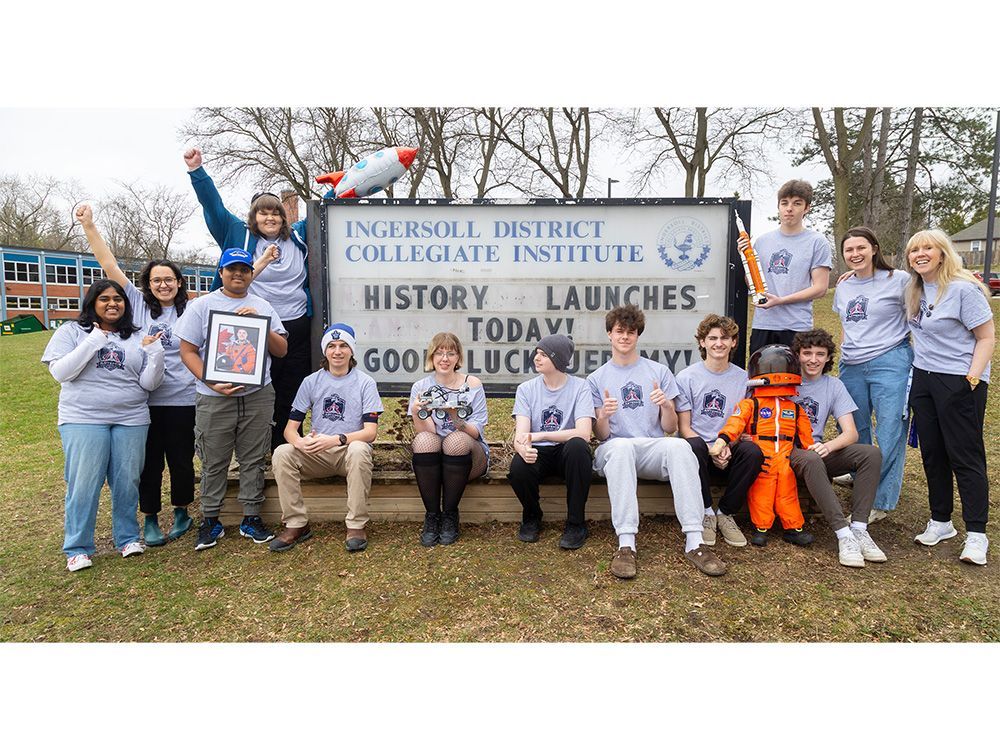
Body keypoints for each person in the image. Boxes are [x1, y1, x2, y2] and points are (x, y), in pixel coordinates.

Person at [75, 204, 199, 546]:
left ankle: (181, 512)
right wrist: (89, 226)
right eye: (157, 279)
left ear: (178, 283)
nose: (163, 284)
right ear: (148, 283)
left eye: (169, 279)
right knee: (148, 464)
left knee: (181, 460)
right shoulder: (137, 302)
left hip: (184, 399)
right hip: (143, 401)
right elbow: (108, 264)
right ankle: (149, 519)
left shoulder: (193, 309)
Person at [184, 147, 311, 451]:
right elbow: (213, 207)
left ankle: (287, 450)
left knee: (292, 393)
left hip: (297, 326)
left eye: (275, 212)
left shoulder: (299, 236)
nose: (270, 217)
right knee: (257, 391)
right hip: (252, 324)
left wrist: (342, 185)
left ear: (284, 217)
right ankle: (256, 452)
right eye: (263, 212)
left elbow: (328, 210)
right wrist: (197, 172)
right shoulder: (236, 234)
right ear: (253, 217)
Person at [586, 304, 726, 578]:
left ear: (638, 335)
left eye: (631, 332)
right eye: (619, 331)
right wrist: (604, 415)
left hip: (651, 446)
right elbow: (600, 435)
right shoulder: (596, 378)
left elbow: (671, 429)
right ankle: (626, 543)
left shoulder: (659, 372)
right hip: (614, 449)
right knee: (622, 447)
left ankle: (695, 540)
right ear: (609, 335)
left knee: (680, 447)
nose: (625, 337)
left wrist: (666, 407)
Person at [42, 280, 165, 572]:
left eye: (119, 299)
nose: (113, 304)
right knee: (84, 483)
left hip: (131, 417)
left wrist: (155, 353)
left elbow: (149, 384)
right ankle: (77, 547)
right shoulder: (72, 332)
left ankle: (127, 538)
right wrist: (94, 340)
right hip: (83, 418)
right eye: (105, 299)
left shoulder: (136, 336)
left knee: (127, 481)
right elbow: (61, 372)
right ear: (92, 303)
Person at [174, 247, 288, 551]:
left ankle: (251, 516)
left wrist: (261, 323)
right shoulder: (202, 306)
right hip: (214, 396)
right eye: (231, 269)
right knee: (214, 460)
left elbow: (281, 350)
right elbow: (187, 351)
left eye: (244, 269)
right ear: (221, 272)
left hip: (257, 393)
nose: (238, 274)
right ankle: (210, 519)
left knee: (253, 458)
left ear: (251, 273)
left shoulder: (263, 304)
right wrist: (211, 381)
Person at [905, 230, 995, 565]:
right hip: (924, 380)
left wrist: (971, 377)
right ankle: (941, 521)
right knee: (932, 453)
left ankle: (976, 534)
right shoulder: (913, 289)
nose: (920, 254)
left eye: (927, 248)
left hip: (959, 380)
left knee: (965, 456)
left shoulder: (962, 289)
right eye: (914, 250)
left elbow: (986, 337)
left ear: (943, 253)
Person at [270, 323, 383, 553]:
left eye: (343, 346)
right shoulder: (311, 381)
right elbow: (290, 429)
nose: (337, 351)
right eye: (331, 346)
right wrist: (300, 442)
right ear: (325, 351)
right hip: (317, 453)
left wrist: (335, 440)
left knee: (360, 449)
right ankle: (296, 523)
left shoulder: (365, 382)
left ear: (352, 350)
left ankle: (356, 525)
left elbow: (370, 433)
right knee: (283, 452)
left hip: (347, 451)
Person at [788, 329, 887, 568]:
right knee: (811, 459)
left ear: (828, 357)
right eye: (807, 353)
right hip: (789, 450)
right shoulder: (787, 381)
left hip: (819, 449)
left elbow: (851, 433)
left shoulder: (834, 385)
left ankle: (860, 529)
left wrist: (828, 446)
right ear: (797, 355)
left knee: (870, 454)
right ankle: (843, 534)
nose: (813, 359)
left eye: (820, 354)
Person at [833, 226, 912, 523]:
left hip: (890, 361)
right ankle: (858, 473)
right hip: (852, 364)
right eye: (849, 250)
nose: (855, 254)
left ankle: (881, 498)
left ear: (874, 249)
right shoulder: (844, 286)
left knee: (890, 430)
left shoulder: (899, 280)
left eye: (860, 248)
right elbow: (845, 323)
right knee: (855, 426)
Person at [709, 344, 815, 548]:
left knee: (787, 491)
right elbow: (736, 423)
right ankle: (761, 528)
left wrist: (813, 453)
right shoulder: (751, 404)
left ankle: (793, 529)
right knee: (761, 491)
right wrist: (722, 440)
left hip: (785, 457)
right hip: (763, 455)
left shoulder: (794, 408)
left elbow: (805, 435)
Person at [675, 314, 762, 548]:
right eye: (712, 338)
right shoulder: (686, 377)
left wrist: (727, 446)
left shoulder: (745, 379)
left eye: (725, 338)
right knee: (691, 447)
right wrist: (712, 450)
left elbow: (744, 425)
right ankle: (705, 513)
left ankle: (725, 512)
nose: (719, 343)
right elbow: (684, 427)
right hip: (700, 447)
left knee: (753, 452)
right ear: (702, 342)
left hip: (729, 446)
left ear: (734, 342)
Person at [508, 334, 594, 549]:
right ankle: (532, 516)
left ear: (558, 360)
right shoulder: (526, 390)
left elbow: (584, 433)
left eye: (544, 354)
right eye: (537, 353)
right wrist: (523, 448)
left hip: (567, 453)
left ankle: (576, 523)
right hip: (540, 453)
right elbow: (521, 436)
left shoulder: (580, 387)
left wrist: (542, 435)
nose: (537, 358)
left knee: (578, 447)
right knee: (519, 465)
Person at [408, 332, 489, 547]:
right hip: (439, 457)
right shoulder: (420, 387)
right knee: (424, 441)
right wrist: (417, 412)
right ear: (431, 357)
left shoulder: (472, 384)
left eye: (450, 353)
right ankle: (432, 517)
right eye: (439, 353)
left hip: (469, 454)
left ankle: (451, 515)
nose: (445, 358)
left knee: (456, 440)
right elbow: (427, 433)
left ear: (458, 358)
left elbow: (476, 431)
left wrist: (456, 418)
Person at [745, 179, 832, 352]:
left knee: (794, 378)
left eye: (797, 203)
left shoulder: (817, 242)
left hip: (797, 326)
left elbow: (820, 288)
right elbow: (751, 282)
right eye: (784, 203)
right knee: (760, 377)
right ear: (779, 206)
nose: (789, 208)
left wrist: (781, 301)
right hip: (763, 325)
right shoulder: (762, 242)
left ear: (807, 208)